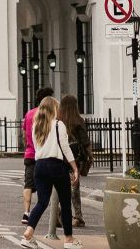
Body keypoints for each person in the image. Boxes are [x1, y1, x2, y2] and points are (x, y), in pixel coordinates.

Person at [20, 95, 78, 249]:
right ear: (53, 108)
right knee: (65, 204)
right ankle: (69, 240)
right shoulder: (59, 125)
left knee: (42, 202)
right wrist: (74, 167)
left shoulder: (36, 126)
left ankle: (28, 233)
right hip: (56, 166)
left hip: (39, 166)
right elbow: (65, 148)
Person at [21, 87, 53, 223]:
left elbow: (24, 135)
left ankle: (26, 212)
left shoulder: (29, 114)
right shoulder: (49, 115)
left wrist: (29, 145)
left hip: (30, 154)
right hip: (45, 155)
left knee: (28, 184)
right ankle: (52, 214)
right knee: (48, 185)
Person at [59, 94, 92, 229]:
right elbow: (85, 142)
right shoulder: (78, 121)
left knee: (60, 188)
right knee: (74, 189)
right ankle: (78, 216)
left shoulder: (58, 121)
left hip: (60, 159)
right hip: (74, 160)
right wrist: (90, 156)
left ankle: (59, 215)